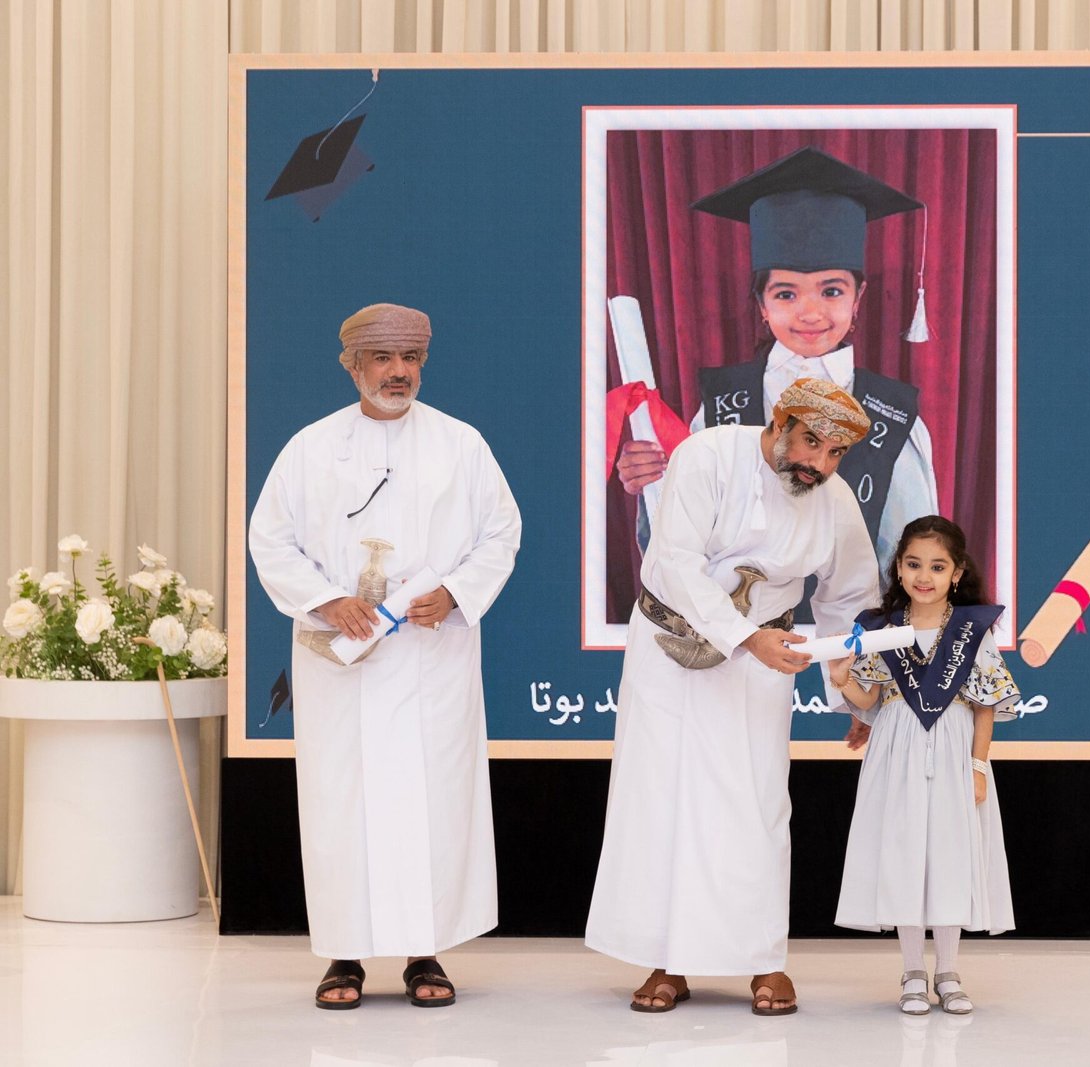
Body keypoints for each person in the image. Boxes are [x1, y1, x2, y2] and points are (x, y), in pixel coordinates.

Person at [248, 302, 521, 1010]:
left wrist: (455, 593)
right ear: (353, 366)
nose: (398, 372)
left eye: (410, 358)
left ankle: (426, 950)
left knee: (433, 801)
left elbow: (501, 533)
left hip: (432, 653)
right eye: (383, 358)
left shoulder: (461, 444)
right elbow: (270, 540)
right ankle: (344, 955)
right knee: (343, 801)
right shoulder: (309, 448)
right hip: (342, 659)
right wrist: (326, 599)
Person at [586, 377, 880, 1016]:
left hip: (762, 660)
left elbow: (850, 598)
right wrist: (744, 636)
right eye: (811, 443)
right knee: (663, 798)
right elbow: (674, 561)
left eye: (835, 453)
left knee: (757, 803)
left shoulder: (832, 500)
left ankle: (763, 960)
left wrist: (855, 698)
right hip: (669, 646)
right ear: (780, 422)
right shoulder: (709, 455)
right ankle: (667, 960)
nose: (820, 463)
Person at [615, 146, 940, 576]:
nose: (810, 313)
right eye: (786, 294)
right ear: (762, 306)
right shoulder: (720, 407)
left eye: (831, 291)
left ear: (858, 299)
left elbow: (914, 554)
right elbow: (683, 537)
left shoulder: (893, 415)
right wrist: (651, 482)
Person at [830, 515, 1021, 1016]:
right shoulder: (881, 630)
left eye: (938, 567)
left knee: (950, 855)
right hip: (897, 749)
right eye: (914, 564)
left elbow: (985, 704)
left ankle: (949, 971)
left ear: (957, 573)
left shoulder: (971, 630)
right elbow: (868, 699)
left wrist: (978, 766)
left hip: (956, 749)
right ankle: (913, 970)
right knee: (904, 854)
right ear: (898, 567)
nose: (924, 576)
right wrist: (841, 679)